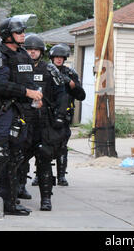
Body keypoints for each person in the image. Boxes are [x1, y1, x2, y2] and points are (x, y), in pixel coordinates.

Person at [0, 14, 43, 219]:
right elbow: (0, 85)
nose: (23, 35)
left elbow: (28, 80)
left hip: (20, 113)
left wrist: (36, 96)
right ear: (7, 35)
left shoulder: (22, 55)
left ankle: (10, 202)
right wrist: (26, 93)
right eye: (18, 32)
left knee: (15, 158)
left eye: (23, 31)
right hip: (1, 112)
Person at [18, 34, 66, 211]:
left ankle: (46, 198)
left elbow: (62, 94)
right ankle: (18, 190)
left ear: (41, 52)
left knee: (44, 159)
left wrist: (60, 116)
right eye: (29, 48)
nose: (32, 51)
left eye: (36, 49)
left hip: (43, 122)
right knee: (19, 158)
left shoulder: (50, 69)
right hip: (23, 120)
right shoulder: (18, 68)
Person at [47, 44, 85, 186]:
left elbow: (81, 95)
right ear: (52, 58)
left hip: (64, 114)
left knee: (62, 146)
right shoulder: (46, 71)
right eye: (56, 57)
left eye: (61, 57)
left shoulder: (70, 73)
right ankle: (41, 175)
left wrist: (72, 84)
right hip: (46, 113)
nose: (58, 59)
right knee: (43, 145)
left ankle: (61, 176)